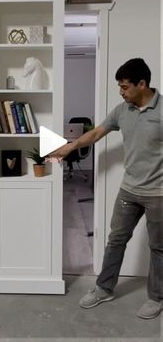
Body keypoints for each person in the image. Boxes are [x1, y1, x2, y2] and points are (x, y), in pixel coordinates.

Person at [49, 58, 163, 319]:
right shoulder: (123, 110)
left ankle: (156, 297)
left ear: (142, 84)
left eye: (125, 87)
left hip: (159, 194)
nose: (121, 92)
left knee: (158, 248)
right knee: (116, 240)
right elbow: (97, 133)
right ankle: (104, 288)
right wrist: (68, 147)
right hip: (129, 190)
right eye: (119, 87)